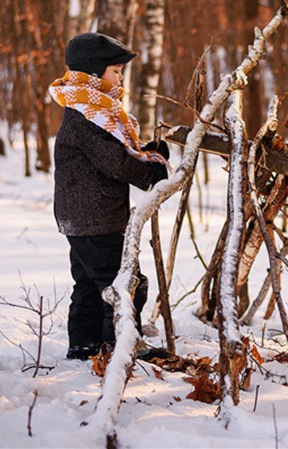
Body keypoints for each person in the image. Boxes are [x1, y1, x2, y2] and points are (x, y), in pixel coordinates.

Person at [49, 32, 171, 360]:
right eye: (115, 71)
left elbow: (116, 153)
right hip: (94, 218)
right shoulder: (87, 115)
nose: (120, 78)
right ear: (92, 73)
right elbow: (115, 162)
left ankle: (85, 347)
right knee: (126, 283)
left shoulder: (89, 109)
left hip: (84, 217)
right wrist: (151, 172)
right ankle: (120, 346)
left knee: (91, 285)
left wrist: (146, 153)